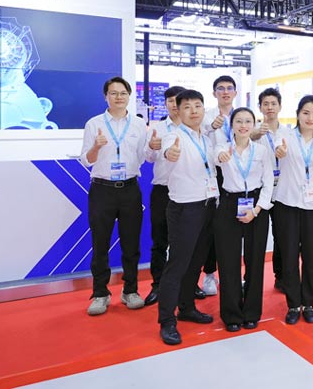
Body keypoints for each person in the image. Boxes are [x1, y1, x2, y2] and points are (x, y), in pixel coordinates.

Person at [80, 77, 150, 316]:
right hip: (102, 189)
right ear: (106, 97)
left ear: (129, 96)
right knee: (100, 243)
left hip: (130, 189)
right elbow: (86, 160)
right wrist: (96, 147)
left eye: (123, 93)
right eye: (113, 93)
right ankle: (100, 293)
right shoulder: (94, 124)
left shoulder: (139, 125)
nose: (118, 97)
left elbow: (143, 156)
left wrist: (156, 146)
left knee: (131, 244)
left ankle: (130, 290)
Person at [157, 89, 218, 346]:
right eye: (187, 107)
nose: (193, 111)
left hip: (208, 205)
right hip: (185, 208)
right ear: (178, 111)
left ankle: (187, 307)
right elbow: (168, 151)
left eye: (198, 106)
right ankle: (166, 320)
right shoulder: (174, 136)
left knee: (196, 262)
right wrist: (169, 153)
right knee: (178, 264)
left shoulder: (206, 138)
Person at [272, 95, 313, 324]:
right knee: (289, 257)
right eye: (306, 113)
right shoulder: (285, 136)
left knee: (311, 258)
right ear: (298, 114)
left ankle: (308, 303)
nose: (310, 118)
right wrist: (278, 152)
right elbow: (276, 152)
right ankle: (293, 304)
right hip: (287, 204)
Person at [214, 108, 274, 331]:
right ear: (232, 125)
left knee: (255, 260)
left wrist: (257, 210)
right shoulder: (222, 148)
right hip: (229, 204)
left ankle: (251, 312)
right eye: (238, 121)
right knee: (228, 261)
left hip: (256, 205)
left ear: (253, 125)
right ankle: (231, 315)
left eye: (248, 121)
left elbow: (269, 181)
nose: (243, 125)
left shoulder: (261, 150)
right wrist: (222, 157)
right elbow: (215, 158)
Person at [143, 85, 185, 306]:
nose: (174, 104)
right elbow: (148, 158)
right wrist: (151, 147)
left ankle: (188, 285)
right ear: (166, 104)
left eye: (178, 100)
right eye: (170, 101)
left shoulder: (193, 128)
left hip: (188, 192)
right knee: (159, 240)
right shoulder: (157, 128)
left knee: (187, 241)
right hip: (163, 190)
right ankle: (158, 285)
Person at [200, 75, 239, 296]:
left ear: (235, 92)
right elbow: (199, 141)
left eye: (229, 88)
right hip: (215, 176)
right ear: (214, 93)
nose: (225, 92)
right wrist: (209, 128)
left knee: (235, 227)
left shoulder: (242, 115)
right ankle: (209, 273)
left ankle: (232, 274)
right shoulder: (206, 117)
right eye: (221, 88)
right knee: (213, 227)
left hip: (239, 175)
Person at [251, 87, 288, 293]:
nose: (270, 107)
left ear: (280, 106)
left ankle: (281, 276)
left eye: (274, 103)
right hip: (261, 191)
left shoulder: (288, 132)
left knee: (283, 235)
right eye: (266, 104)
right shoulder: (253, 131)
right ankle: (251, 280)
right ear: (260, 107)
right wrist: (253, 135)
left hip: (283, 190)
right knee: (257, 238)